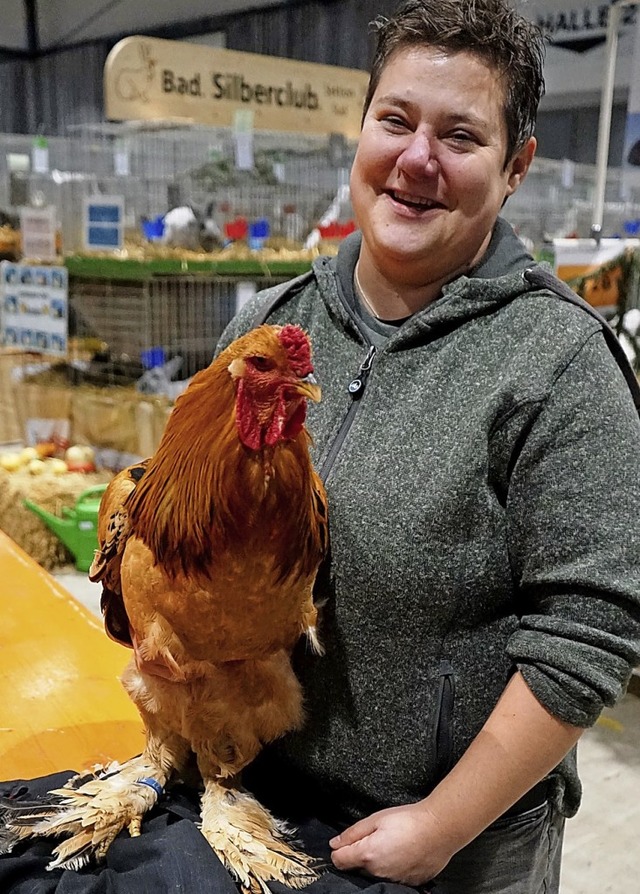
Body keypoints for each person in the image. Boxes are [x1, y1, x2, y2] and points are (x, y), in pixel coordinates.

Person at [215, 1, 640, 892]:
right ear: (362, 128)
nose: (416, 159)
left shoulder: (559, 361)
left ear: (516, 166)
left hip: (458, 844)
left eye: (460, 136)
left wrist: (443, 825)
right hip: (255, 798)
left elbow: (590, 632)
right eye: (396, 120)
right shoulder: (271, 324)